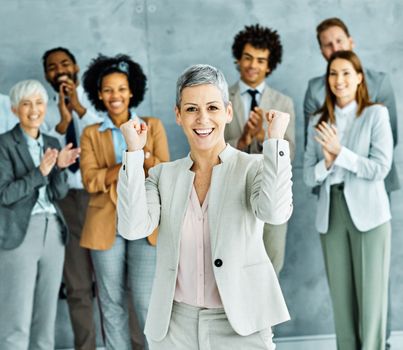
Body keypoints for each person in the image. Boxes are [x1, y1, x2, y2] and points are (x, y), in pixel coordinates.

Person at [117, 64, 293, 350]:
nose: (202, 119)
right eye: (191, 109)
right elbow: (133, 227)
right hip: (174, 327)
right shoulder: (163, 175)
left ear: (228, 112)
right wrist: (134, 153)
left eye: (212, 107)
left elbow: (275, 212)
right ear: (178, 115)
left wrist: (274, 142)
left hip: (241, 322)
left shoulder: (254, 167)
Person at [303, 18, 398, 349]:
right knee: (342, 303)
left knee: (371, 302)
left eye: (346, 73)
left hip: (370, 212)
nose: (339, 79)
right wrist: (327, 163)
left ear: (359, 78)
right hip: (331, 213)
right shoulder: (318, 120)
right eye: (333, 73)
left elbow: (380, 167)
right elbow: (306, 174)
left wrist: (339, 154)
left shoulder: (376, 114)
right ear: (326, 79)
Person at [80, 54, 169, 350]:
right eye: (107, 90)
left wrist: (139, 154)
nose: (114, 96)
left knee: (145, 300)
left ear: (132, 92)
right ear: (99, 94)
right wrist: (130, 160)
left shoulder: (152, 126)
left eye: (121, 89)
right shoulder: (91, 133)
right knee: (111, 301)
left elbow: (164, 172)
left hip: (146, 220)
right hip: (106, 223)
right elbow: (91, 181)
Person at [0, 79, 80, 349]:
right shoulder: (3, 144)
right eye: (26, 104)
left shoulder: (51, 141)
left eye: (39, 103)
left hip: (53, 232)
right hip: (19, 233)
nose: (33, 110)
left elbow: (58, 193)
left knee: (46, 315)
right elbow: (4, 194)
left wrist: (60, 169)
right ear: (14, 110)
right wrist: (41, 172)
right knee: (16, 315)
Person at [42, 47, 102, 350]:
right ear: (46, 75)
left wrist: (78, 108)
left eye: (65, 63)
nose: (60, 70)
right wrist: (63, 122)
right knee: (78, 285)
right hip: (65, 201)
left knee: (112, 283)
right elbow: (43, 154)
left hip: (100, 197)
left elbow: (108, 135)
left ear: (76, 66)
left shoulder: (96, 97)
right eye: (52, 67)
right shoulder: (43, 110)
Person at [224, 24, 295, 275]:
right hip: (231, 196)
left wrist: (265, 138)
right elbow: (211, 152)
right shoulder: (221, 100)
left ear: (269, 65)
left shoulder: (283, 103)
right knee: (233, 272)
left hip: (272, 193)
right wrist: (243, 139)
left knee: (269, 273)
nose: (253, 65)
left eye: (261, 60)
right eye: (248, 58)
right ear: (238, 59)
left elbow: (291, 154)